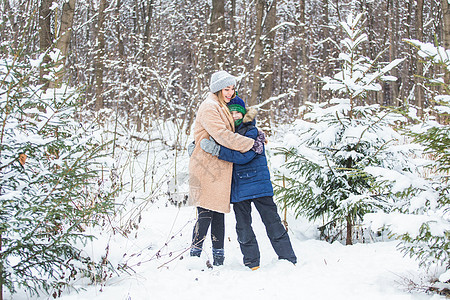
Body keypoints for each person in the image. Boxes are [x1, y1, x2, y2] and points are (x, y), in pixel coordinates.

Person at [200, 96, 297, 270]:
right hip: (238, 189)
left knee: (272, 223)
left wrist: (217, 151)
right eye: (232, 112)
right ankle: (252, 263)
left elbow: (243, 156)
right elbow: (209, 139)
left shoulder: (252, 132)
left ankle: (288, 259)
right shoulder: (225, 135)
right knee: (243, 228)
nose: (235, 115)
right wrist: (197, 148)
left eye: (238, 112)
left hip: (258, 186)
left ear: (244, 113)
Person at [189, 71, 264, 266]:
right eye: (226, 89)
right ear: (217, 89)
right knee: (205, 212)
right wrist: (249, 143)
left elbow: (238, 124)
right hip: (206, 166)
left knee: (218, 213)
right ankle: (194, 257)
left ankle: (218, 259)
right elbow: (222, 134)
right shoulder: (209, 107)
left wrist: (255, 130)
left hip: (221, 166)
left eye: (232, 88)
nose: (230, 93)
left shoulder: (222, 105)